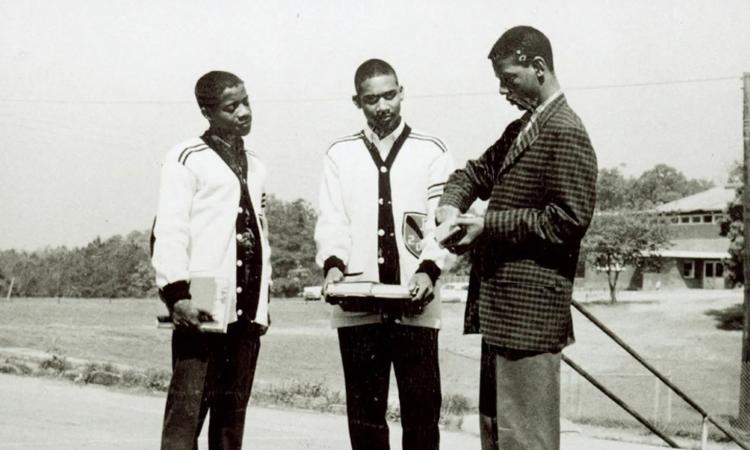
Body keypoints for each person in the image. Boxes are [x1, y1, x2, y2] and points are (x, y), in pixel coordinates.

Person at [437, 26, 598, 450]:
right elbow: (474, 172)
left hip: (531, 320)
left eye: (510, 79)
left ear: (539, 67)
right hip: (501, 315)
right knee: (496, 435)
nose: (504, 91)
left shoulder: (566, 131)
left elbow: (568, 220)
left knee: (527, 442)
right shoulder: (522, 129)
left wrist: (489, 225)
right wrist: (450, 205)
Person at [314, 58, 454, 450]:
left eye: (390, 95)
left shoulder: (432, 150)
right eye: (371, 98)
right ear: (357, 101)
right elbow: (332, 220)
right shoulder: (340, 154)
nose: (383, 106)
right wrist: (333, 266)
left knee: (422, 416)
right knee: (365, 421)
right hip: (358, 305)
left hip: (416, 303)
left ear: (402, 92)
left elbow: (441, 221)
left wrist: (429, 269)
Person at [151, 70, 272, 450]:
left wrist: (263, 302)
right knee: (186, 417)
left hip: (247, 302)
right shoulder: (188, 157)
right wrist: (176, 294)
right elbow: (169, 230)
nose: (243, 112)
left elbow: (260, 233)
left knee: (230, 422)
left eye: (246, 102)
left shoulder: (256, 163)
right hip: (202, 294)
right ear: (207, 111)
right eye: (230, 106)